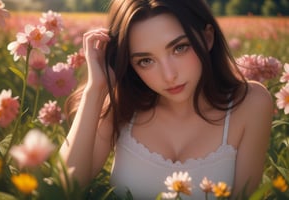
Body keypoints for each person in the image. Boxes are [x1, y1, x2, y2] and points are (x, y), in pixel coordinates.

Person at [60, 0, 273, 199]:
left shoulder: (250, 103)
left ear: (207, 38)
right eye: (145, 61)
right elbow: (63, 188)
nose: (169, 75)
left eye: (180, 48)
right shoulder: (122, 102)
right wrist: (95, 90)